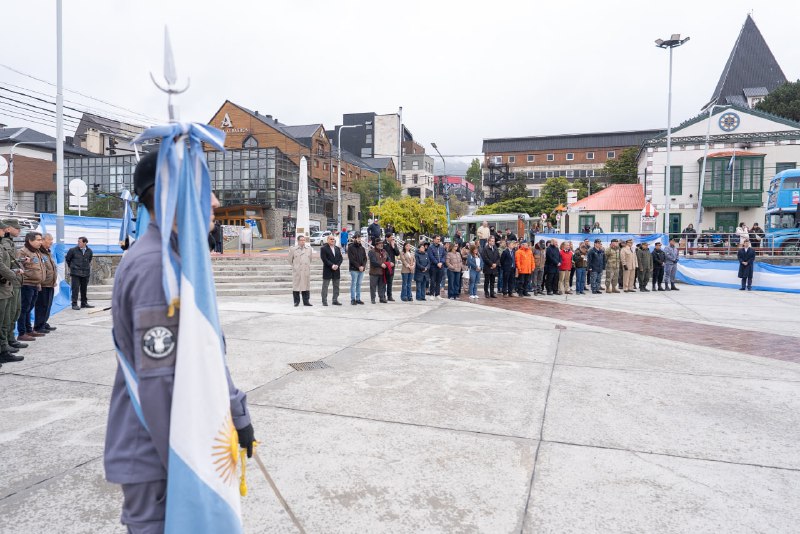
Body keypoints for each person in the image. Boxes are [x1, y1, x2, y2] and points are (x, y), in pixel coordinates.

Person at [105, 150, 253, 533]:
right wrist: (195, 469)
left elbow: (204, 356)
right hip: (161, 454)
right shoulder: (156, 268)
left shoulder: (174, 257)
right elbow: (162, 385)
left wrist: (236, 412)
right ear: (172, 195)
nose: (216, 202)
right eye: (205, 190)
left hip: (174, 444)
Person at [0, 221, 23, 365]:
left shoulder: (5, 243)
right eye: (2, 229)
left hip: (7, 285)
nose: (3, 232)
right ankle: (4, 348)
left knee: (10, 315)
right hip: (4, 285)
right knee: (3, 319)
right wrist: (13, 274)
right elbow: (1, 266)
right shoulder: (3, 243)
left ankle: (5, 347)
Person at [16, 232, 45, 342]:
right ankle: (22, 333)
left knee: (29, 309)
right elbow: (18, 268)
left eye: (41, 240)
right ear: (30, 241)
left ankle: (29, 330)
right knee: (24, 309)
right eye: (38, 240)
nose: (40, 242)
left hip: (35, 284)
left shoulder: (36, 251)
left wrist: (39, 282)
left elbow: (38, 268)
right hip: (26, 284)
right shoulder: (23, 252)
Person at [34, 233, 58, 334]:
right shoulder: (39, 252)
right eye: (49, 240)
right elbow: (38, 269)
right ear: (43, 240)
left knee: (48, 305)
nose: (51, 242)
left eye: (52, 240)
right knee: (41, 306)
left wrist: (54, 281)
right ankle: (38, 326)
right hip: (43, 284)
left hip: (50, 284)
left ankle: (43, 323)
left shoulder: (48, 252)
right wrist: (39, 282)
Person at [65, 236, 94, 310]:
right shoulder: (72, 250)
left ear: (85, 243)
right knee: (75, 289)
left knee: (84, 289)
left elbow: (89, 260)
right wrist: (72, 267)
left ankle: (84, 303)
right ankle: (74, 304)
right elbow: (68, 259)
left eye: (80, 242)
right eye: (78, 241)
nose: (78, 243)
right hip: (75, 273)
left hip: (85, 273)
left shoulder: (89, 251)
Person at [288, 235, 313, 306]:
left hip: (305, 270)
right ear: (298, 241)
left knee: (306, 286)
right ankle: (296, 301)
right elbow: (290, 259)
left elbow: (310, 259)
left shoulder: (309, 249)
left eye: (304, 240)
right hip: (297, 271)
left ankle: (306, 301)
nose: (303, 241)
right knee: (296, 286)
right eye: (301, 240)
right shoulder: (293, 249)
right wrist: (295, 266)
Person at [320, 234, 343, 306]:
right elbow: (324, 259)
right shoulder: (323, 248)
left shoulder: (337, 248)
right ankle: (324, 301)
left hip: (336, 270)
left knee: (336, 286)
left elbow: (340, 258)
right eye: (331, 239)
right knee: (325, 286)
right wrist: (332, 265)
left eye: (333, 239)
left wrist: (337, 265)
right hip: (328, 270)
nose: (332, 240)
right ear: (327, 240)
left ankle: (335, 300)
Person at [347, 234, 367, 305]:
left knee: (359, 284)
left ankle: (358, 299)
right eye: (358, 238)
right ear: (354, 239)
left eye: (360, 238)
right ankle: (353, 299)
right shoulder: (350, 247)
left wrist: (363, 266)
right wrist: (358, 266)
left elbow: (365, 258)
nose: (359, 239)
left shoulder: (362, 248)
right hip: (354, 269)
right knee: (354, 284)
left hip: (361, 269)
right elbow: (351, 259)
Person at [368, 238, 389, 304]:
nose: (381, 245)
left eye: (382, 243)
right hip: (374, 272)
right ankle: (373, 299)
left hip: (382, 272)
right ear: (376, 244)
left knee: (381, 286)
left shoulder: (384, 251)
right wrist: (381, 264)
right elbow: (373, 261)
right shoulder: (372, 251)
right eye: (380, 243)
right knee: (373, 287)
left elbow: (388, 259)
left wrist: (389, 263)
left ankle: (381, 298)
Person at [427, 235, 447, 299]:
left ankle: (437, 294)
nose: (439, 240)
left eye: (439, 239)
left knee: (439, 281)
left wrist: (441, 262)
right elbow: (431, 256)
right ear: (434, 239)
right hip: (433, 266)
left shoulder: (441, 247)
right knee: (432, 281)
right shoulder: (430, 247)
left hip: (440, 266)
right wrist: (437, 263)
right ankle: (431, 294)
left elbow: (444, 255)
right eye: (437, 239)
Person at [384, 234, 400, 301]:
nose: (392, 238)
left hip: (392, 266)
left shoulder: (393, 244)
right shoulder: (383, 244)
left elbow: (397, 253)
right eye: (391, 237)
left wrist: (393, 246)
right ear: (387, 238)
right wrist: (388, 262)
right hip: (385, 265)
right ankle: (383, 296)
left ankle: (389, 296)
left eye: (392, 237)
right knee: (384, 282)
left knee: (390, 281)